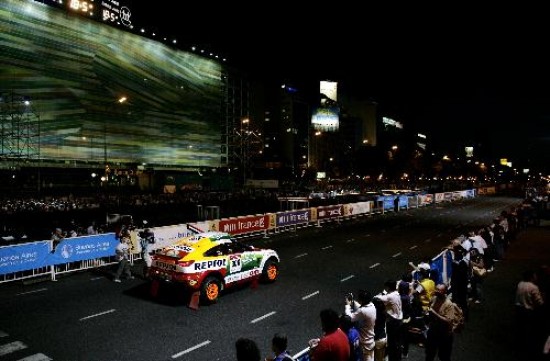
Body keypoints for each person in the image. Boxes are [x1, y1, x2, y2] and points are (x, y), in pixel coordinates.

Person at [424, 284, 456, 361]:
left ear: (445, 292)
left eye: (439, 290)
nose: (436, 291)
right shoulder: (434, 298)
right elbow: (429, 307)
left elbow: (449, 320)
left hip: (444, 334)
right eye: (436, 289)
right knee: (429, 354)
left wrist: (434, 313)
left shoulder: (449, 304)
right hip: (433, 331)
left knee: (444, 356)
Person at [374, 280, 403, 361]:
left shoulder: (389, 297)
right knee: (397, 342)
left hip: (393, 322)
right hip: (399, 320)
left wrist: (379, 295)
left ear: (388, 287)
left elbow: (376, 298)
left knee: (392, 342)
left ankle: (392, 356)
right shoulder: (397, 294)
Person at [345, 290, 377, 361]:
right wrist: (353, 301)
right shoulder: (372, 305)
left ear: (362, 300)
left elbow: (350, 317)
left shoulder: (362, 311)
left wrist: (347, 305)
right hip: (371, 338)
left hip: (365, 341)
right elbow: (361, 307)